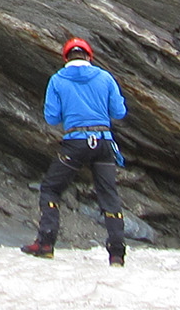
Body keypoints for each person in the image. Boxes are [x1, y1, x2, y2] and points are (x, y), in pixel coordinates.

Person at [20, 36, 129, 266]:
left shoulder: (58, 80)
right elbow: (118, 112)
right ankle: (117, 254)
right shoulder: (105, 77)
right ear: (89, 56)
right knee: (108, 195)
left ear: (66, 58)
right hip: (103, 141)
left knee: (51, 188)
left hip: (75, 142)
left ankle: (46, 243)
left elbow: (51, 117)